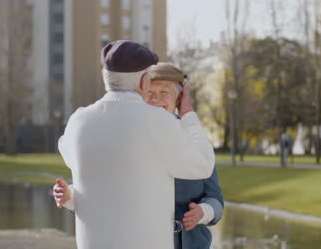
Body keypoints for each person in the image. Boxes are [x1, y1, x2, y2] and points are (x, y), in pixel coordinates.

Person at [57, 40, 215, 249]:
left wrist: (71, 196)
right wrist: (187, 114)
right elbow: (203, 163)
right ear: (142, 81)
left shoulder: (78, 121)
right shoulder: (158, 121)